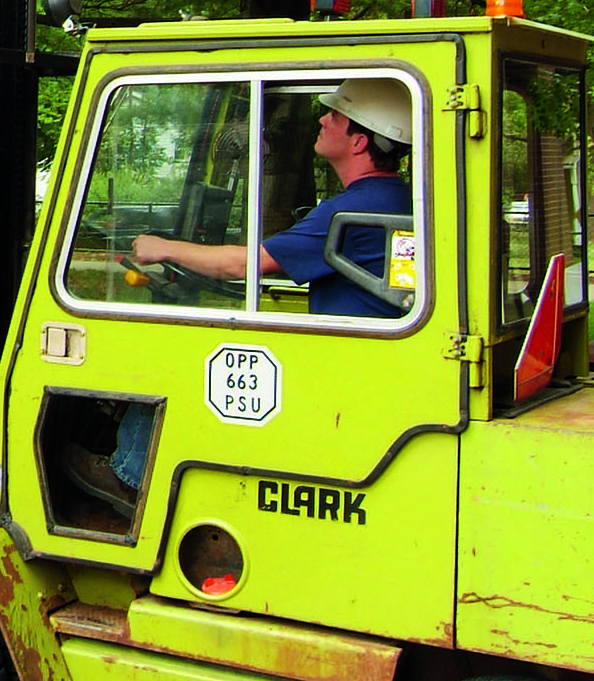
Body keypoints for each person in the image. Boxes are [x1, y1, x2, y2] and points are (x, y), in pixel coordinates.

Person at [63, 78, 415, 518]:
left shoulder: (348, 212)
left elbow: (245, 264)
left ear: (359, 141)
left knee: (193, 358)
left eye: (335, 115)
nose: (322, 119)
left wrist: (164, 247)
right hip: (365, 360)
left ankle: (130, 474)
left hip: (340, 370)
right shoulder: (400, 198)